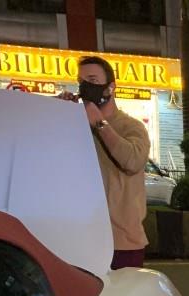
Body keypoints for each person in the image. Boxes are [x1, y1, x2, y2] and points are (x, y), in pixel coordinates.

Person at [59, 56, 150, 269]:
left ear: (111, 87)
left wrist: (99, 123)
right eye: (81, 81)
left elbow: (133, 160)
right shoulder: (75, 125)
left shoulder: (131, 126)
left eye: (92, 80)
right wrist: (58, 113)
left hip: (122, 242)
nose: (85, 87)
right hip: (82, 236)